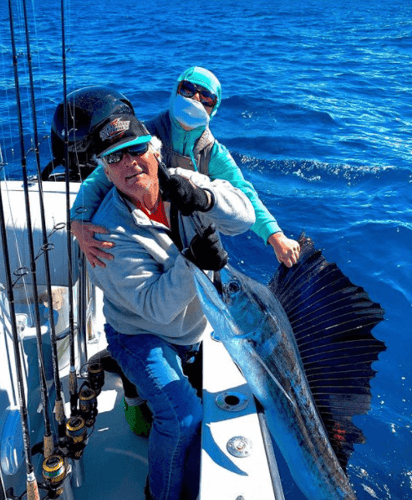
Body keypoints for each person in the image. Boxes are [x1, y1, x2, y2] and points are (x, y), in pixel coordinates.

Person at [83, 110, 255, 500]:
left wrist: (204, 197)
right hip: (138, 331)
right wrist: (191, 258)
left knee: (191, 407)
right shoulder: (105, 230)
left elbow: (244, 215)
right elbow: (154, 308)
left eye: (136, 149)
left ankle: (139, 391)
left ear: (155, 152)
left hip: (191, 327)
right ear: (105, 174)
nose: (128, 163)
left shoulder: (183, 182)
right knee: (182, 418)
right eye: (114, 158)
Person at [70, 67, 300, 268]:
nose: (195, 98)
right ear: (175, 91)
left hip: (194, 241)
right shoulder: (142, 137)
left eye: (206, 96)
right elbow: (99, 179)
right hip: (141, 235)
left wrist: (275, 236)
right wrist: (76, 222)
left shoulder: (213, 153)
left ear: (214, 108)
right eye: (188, 89)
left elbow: (244, 194)